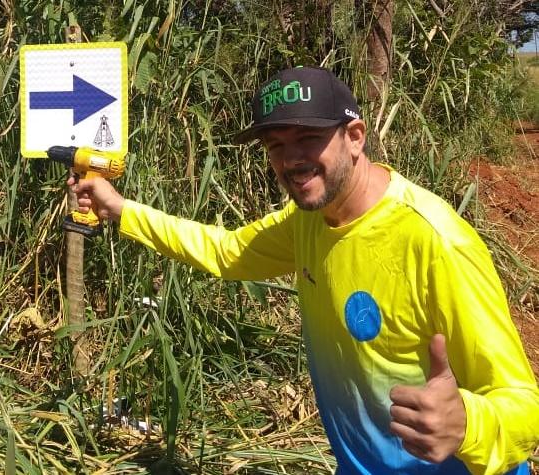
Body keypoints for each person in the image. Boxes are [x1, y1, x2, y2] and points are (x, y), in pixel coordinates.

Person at [67, 66, 539, 474]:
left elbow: (523, 406)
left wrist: (468, 425)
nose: (291, 160)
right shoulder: (309, 222)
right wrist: (121, 210)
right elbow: (226, 251)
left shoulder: (436, 242)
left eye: (309, 139)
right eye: (276, 145)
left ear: (355, 137)